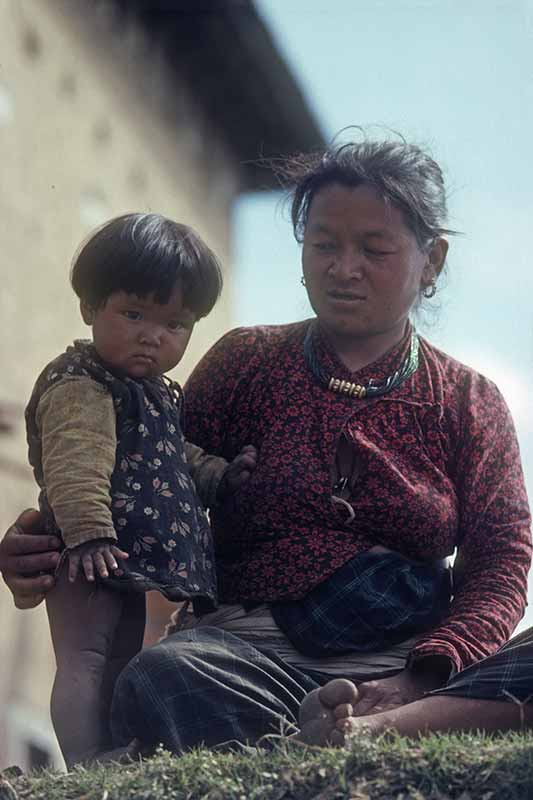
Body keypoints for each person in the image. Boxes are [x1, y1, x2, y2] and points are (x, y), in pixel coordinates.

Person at [1, 138, 531, 755]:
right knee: (161, 677)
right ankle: (324, 735)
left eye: (374, 249)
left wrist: (418, 676)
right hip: (247, 659)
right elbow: (134, 480)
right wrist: (47, 540)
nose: (344, 267)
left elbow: (501, 562)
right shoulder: (244, 364)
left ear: (431, 260)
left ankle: (382, 727)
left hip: (412, 665)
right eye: (324, 245)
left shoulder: (468, 400)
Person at [22, 213, 257, 766]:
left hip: (126, 558)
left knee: (124, 657)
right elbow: (75, 465)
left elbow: (173, 458)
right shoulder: (81, 384)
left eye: (175, 324)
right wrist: (87, 536)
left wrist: (220, 477)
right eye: (133, 314)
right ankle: (84, 763)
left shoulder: (153, 394)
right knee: (84, 657)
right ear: (90, 308)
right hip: (88, 553)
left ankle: (109, 752)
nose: (152, 336)